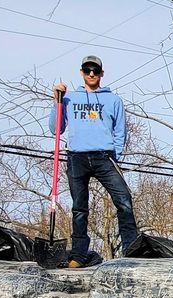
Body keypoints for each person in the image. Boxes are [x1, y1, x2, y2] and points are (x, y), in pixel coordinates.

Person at [50, 55, 138, 267]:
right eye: (87, 70)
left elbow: (120, 131)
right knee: (79, 208)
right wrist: (57, 102)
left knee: (124, 200)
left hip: (103, 156)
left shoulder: (113, 100)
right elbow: (56, 129)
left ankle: (131, 249)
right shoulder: (69, 98)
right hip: (77, 157)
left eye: (95, 70)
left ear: (101, 73)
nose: (91, 74)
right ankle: (78, 256)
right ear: (81, 72)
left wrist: (114, 153)